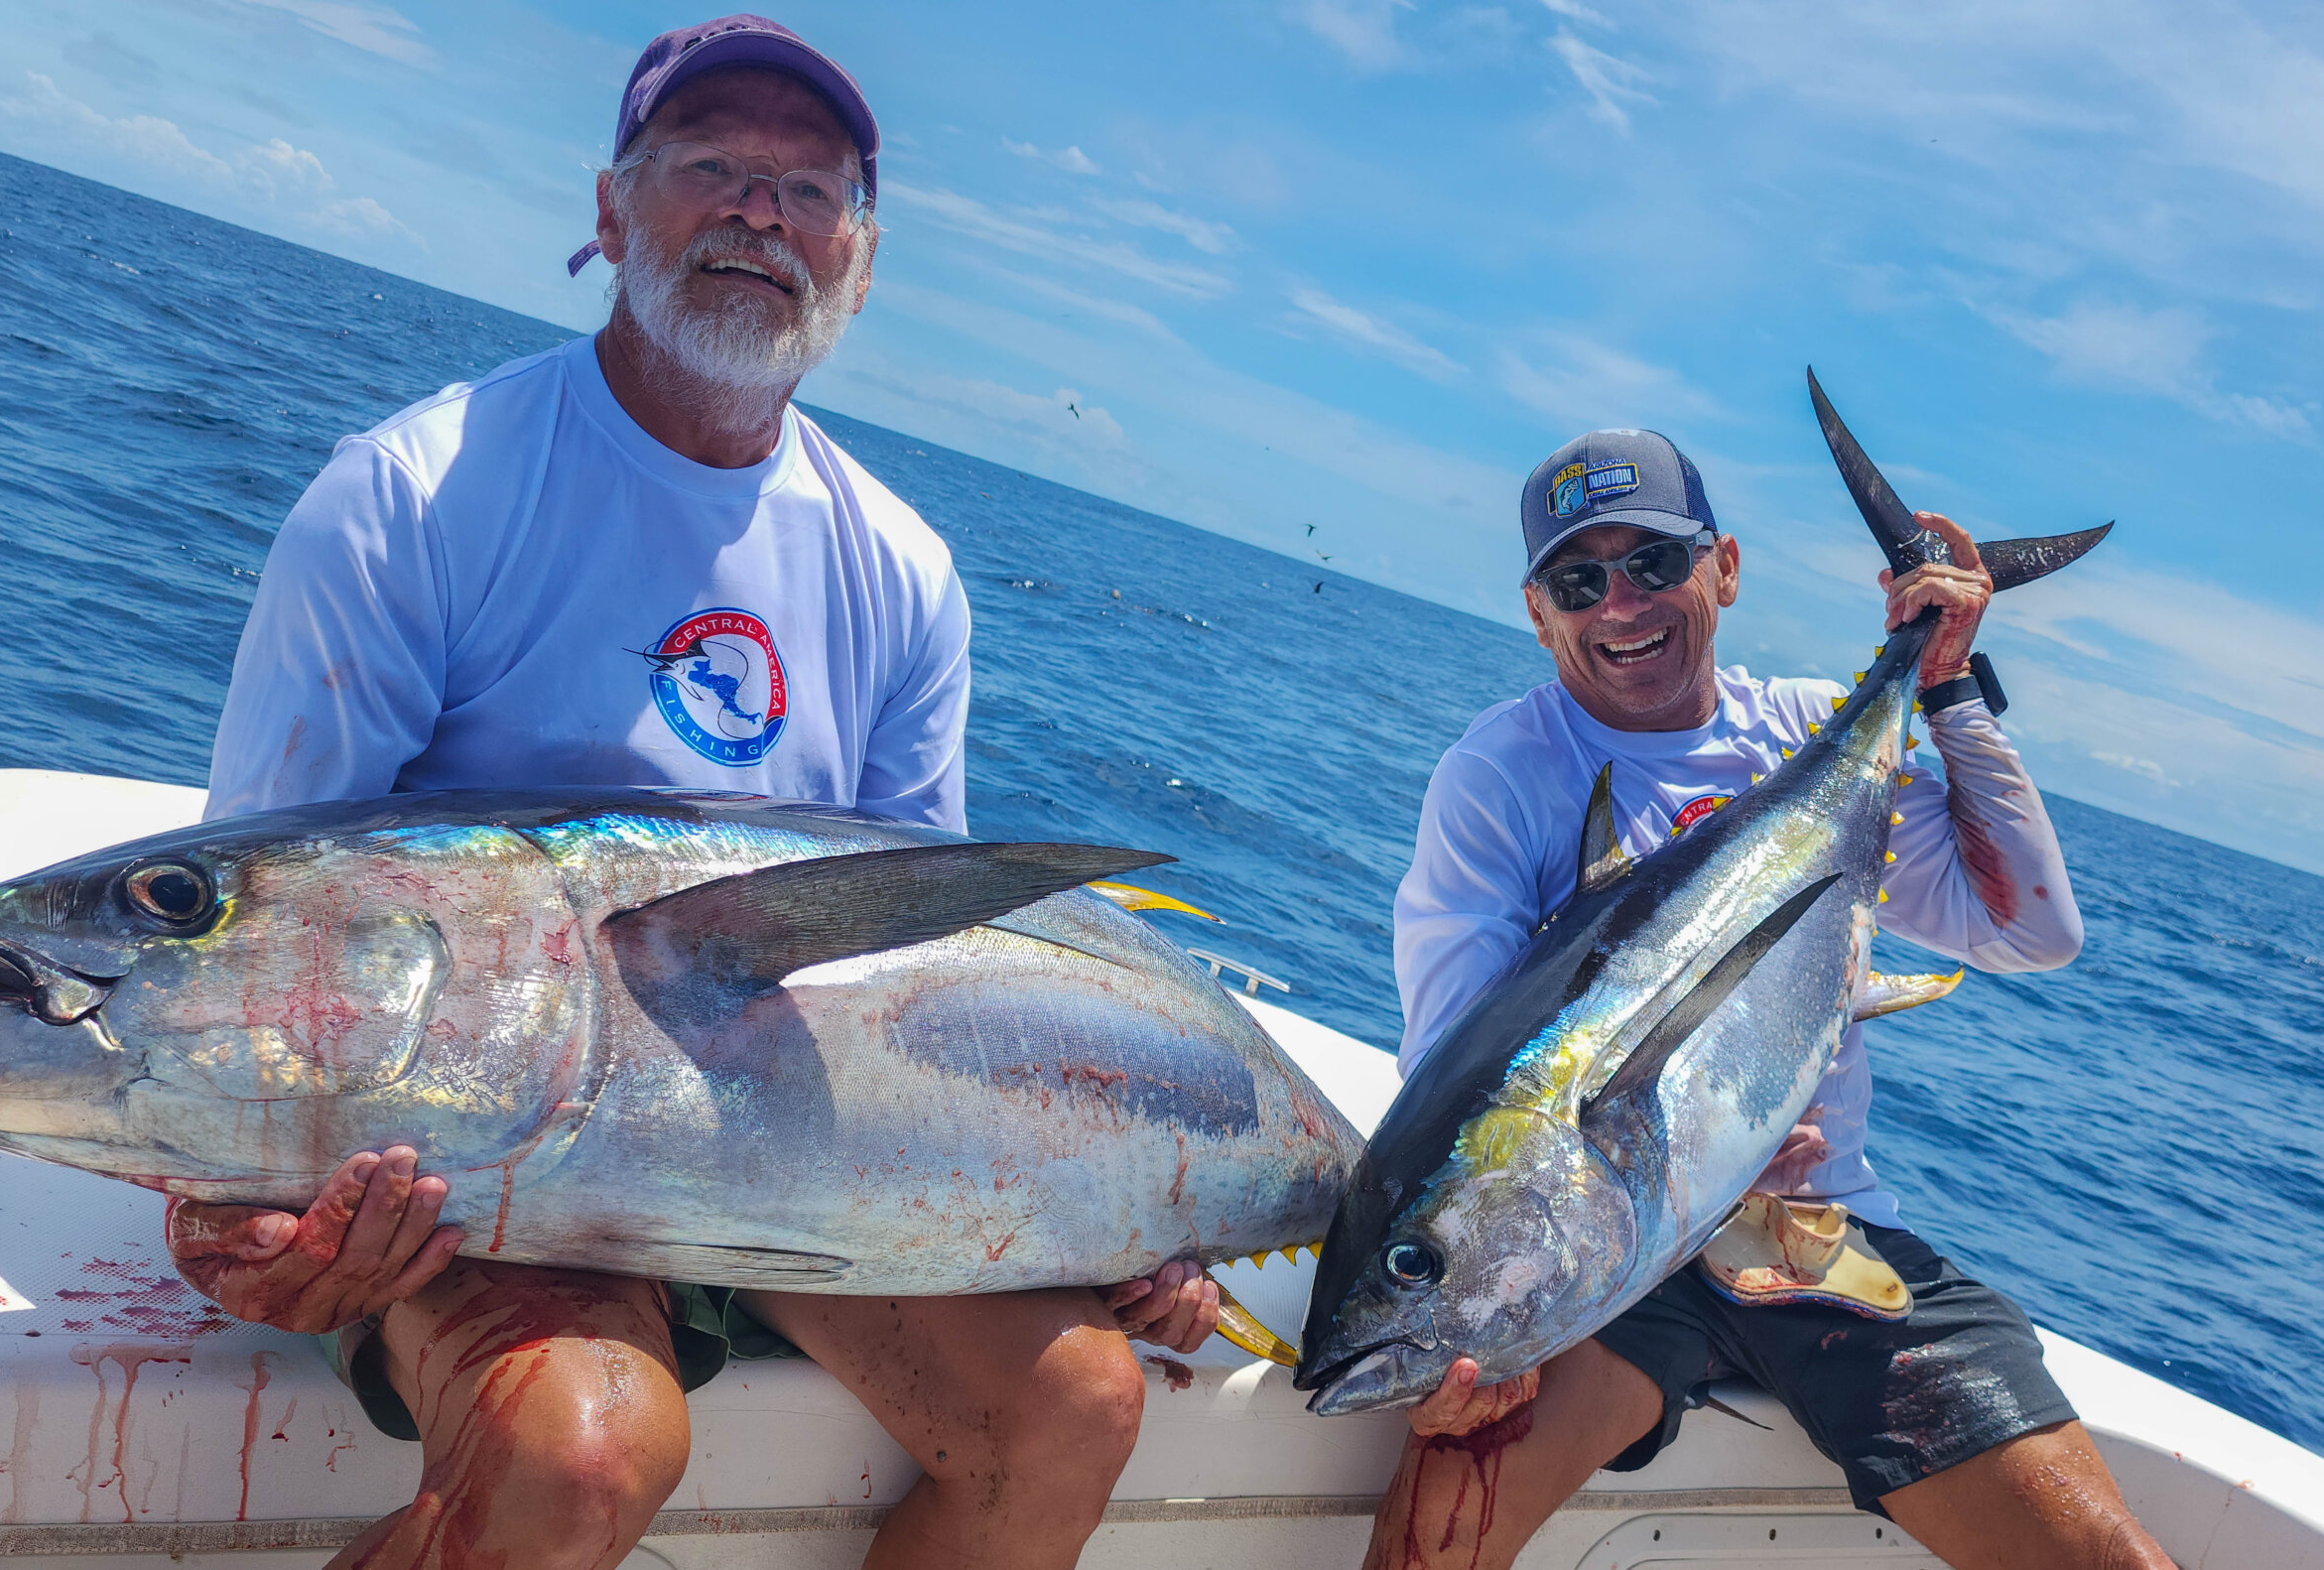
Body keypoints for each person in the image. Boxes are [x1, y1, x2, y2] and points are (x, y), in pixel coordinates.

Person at [159, 17, 1218, 1570]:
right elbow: (259, 911)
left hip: (790, 1155)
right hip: (484, 1153)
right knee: (581, 1447)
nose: (756, 212)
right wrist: (228, 1197)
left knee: (1075, 1399)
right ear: (609, 211)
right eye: (709, 166)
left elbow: (915, 965)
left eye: (807, 187)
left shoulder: (904, 574)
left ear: (858, 258)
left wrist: (1119, 1199)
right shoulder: (415, 494)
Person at [1364, 429, 2176, 1569]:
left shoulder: (1801, 734)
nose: (1618, 605)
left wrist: (1940, 685)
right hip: (1612, 1266)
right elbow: (1463, 1075)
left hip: (1818, 1234)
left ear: (1724, 569)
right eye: (1577, 580)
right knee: (1432, 1535)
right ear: (1538, 611)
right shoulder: (1499, 777)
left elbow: (2028, 929)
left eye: (1651, 563)